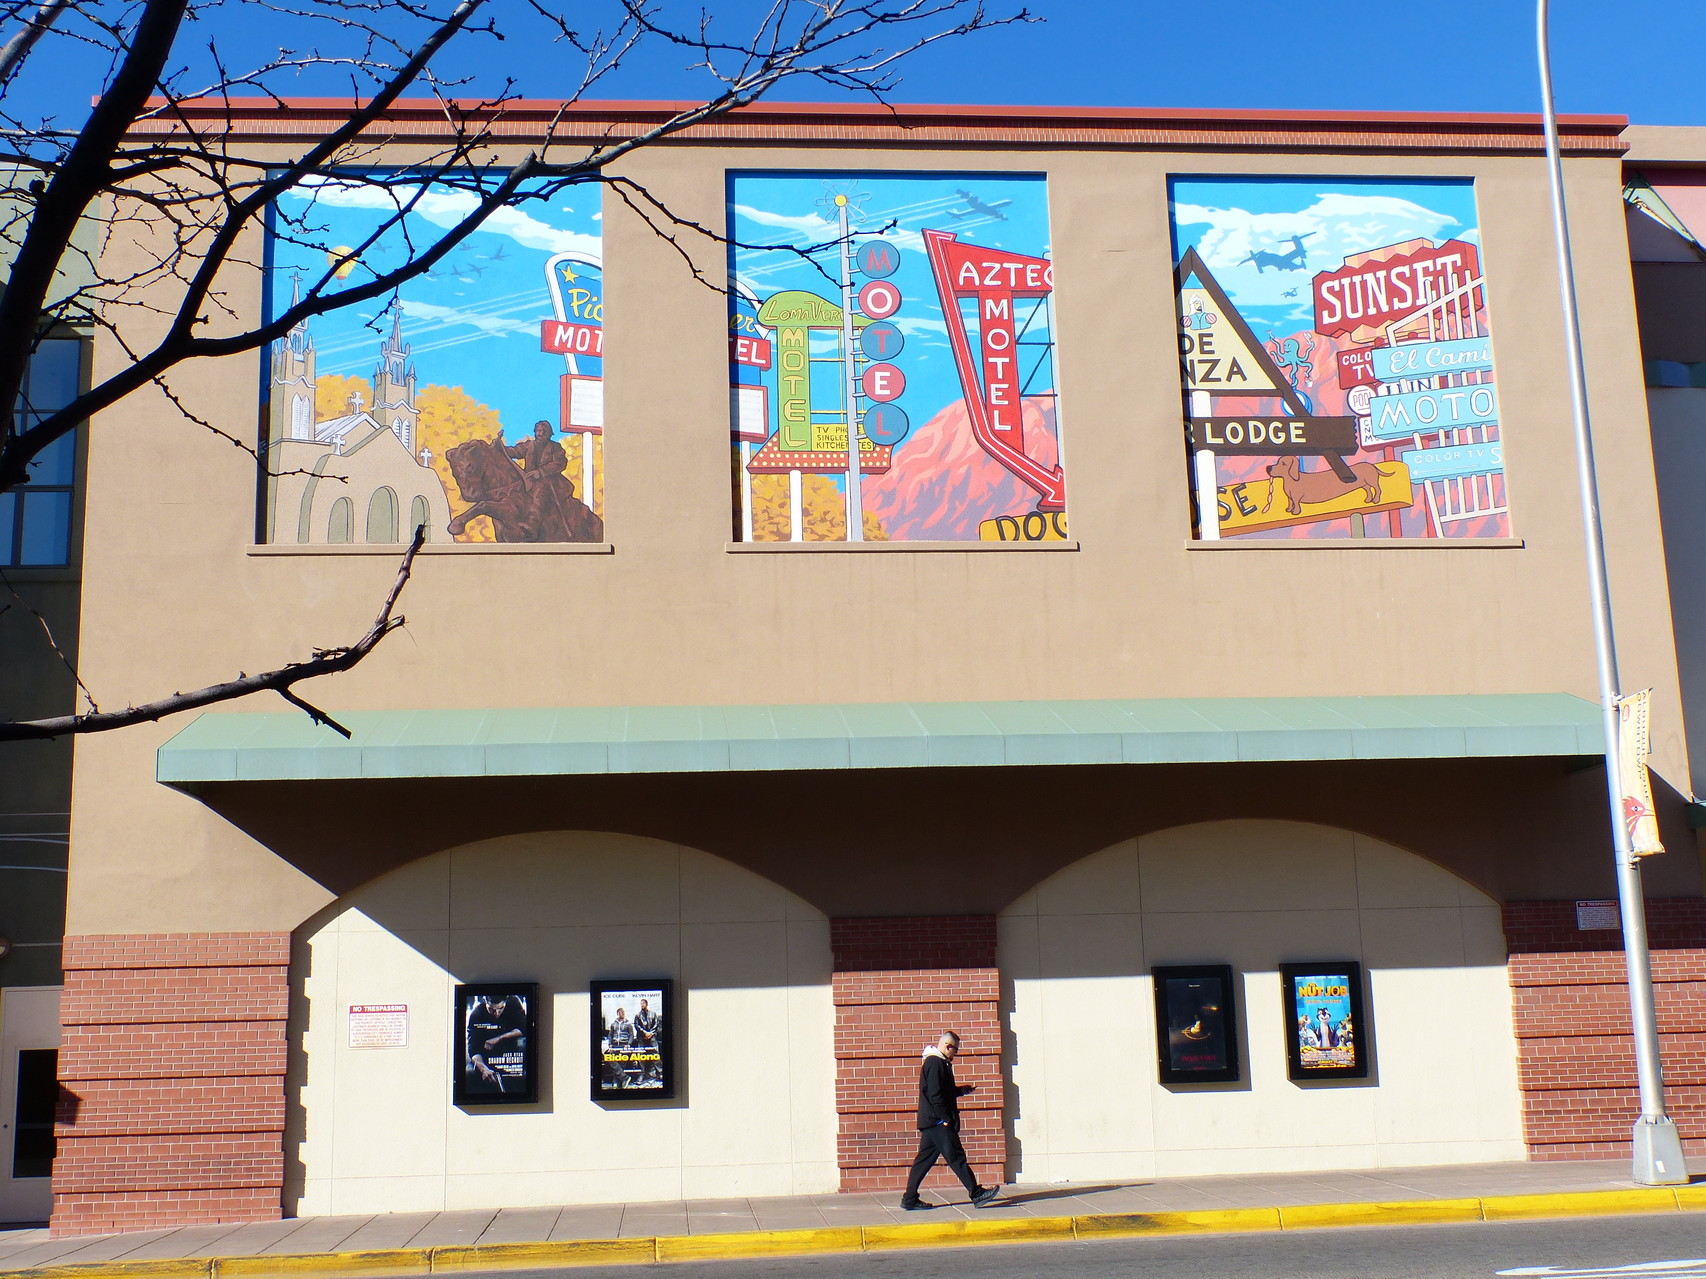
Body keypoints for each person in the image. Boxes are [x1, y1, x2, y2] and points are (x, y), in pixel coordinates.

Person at [900, 1031, 999, 1211]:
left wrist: (962, 1090)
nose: (956, 1054)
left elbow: (943, 1091)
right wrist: (945, 1118)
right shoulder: (935, 1063)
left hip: (932, 1122)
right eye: (956, 1050)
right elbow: (935, 1095)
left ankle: (909, 1199)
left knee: (923, 1161)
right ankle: (976, 1194)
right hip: (938, 1122)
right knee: (956, 1157)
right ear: (947, 1046)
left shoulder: (939, 1063)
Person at [466, 992, 526, 1091]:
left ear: (506, 1002)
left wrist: (498, 1038)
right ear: (485, 1001)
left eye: (500, 1009)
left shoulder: (513, 1002)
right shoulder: (476, 1014)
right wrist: (484, 1069)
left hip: (512, 1053)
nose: (496, 1013)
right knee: (469, 1071)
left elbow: (524, 1028)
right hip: (487, 1056)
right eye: (491, 1010)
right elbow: (473, 1049)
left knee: (523, 1043)